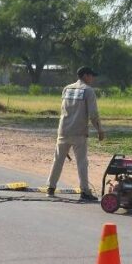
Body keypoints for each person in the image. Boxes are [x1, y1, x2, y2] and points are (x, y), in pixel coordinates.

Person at [46, 66, 105, 201]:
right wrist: (100, 130)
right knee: (82, 163)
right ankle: (84, 191)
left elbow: (63, 110)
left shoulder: (67, 89)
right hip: (79, 132)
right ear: (85, 76)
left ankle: (50, 188)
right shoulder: (88, 91)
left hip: (63, 130)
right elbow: (93, 114)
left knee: (57, 160)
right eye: (91, 75)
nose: (92, 78)